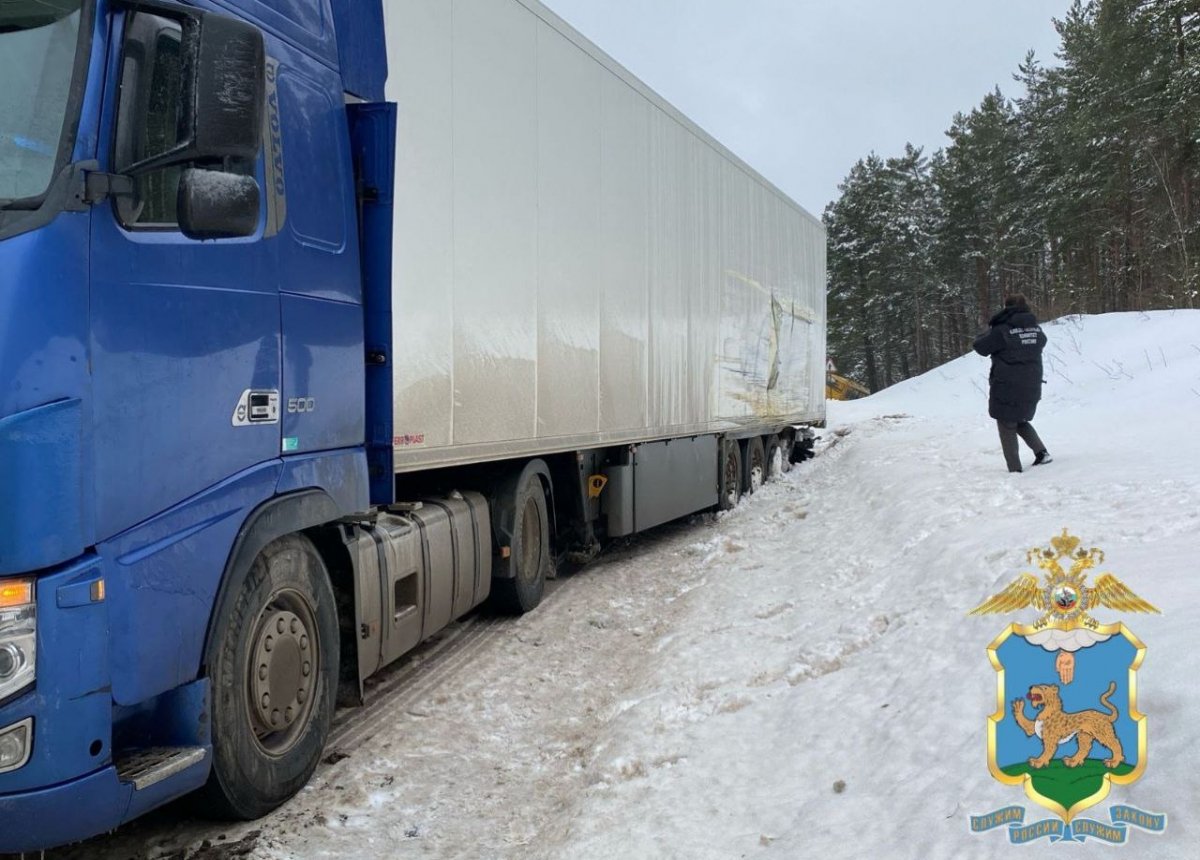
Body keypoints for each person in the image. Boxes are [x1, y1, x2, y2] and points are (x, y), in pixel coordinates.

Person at [973, 294, 1052, 473]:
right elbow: (1041, 342)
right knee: (1018, 418)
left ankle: (1014, 470)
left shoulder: (1002, 329)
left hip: (1007, 384)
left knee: (1006, 421)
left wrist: (985, 332)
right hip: (1032, 382)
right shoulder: (1037, 329)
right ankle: (1042, 453)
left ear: (1006, 308)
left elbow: (980, 347)